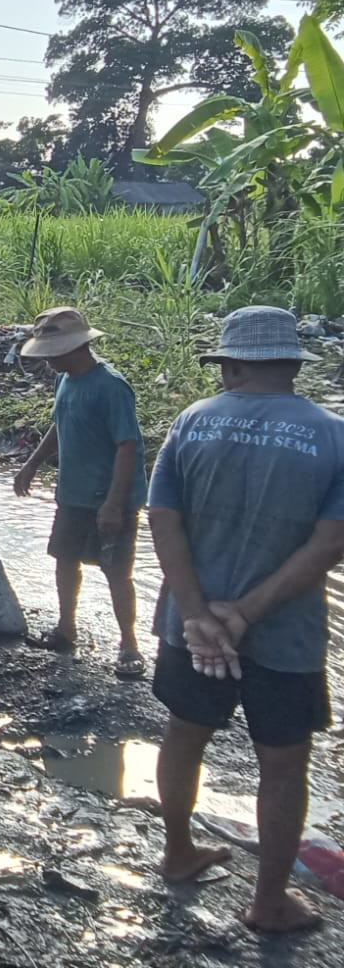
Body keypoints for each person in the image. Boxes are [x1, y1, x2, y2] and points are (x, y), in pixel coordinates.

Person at [147, 306, 344, 934]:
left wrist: (200, 614)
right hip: (285, 633)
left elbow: (162, 519)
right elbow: (330, 543)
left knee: (185, 733)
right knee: (284, 764)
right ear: (293, 365)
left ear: (230, 365)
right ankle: (268, 903)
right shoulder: (333, 434)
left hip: (191, 625)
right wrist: (246, 613)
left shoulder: (191, 421)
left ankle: (178, 853)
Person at [13, 308, 148, 677]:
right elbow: (60, 424)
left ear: (77, 347)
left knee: (117, 572)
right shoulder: (66, 380)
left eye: (52, 352)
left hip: (108, 496)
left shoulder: (110, 385)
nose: (48, 360)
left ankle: (129, 645)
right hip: (73, 493)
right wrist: (32, 464)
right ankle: (65, 629)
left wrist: (114, 504)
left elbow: (127, 446)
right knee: (64, 559)